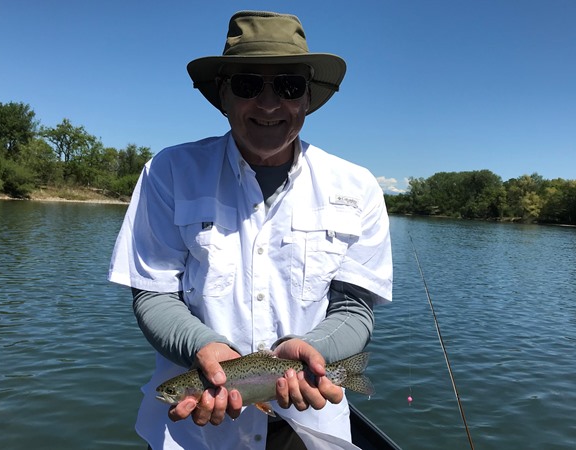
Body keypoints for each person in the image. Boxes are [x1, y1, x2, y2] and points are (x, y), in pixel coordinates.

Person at [108, 10, 392, 450]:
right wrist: (201, 346)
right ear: (223, 94)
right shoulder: (168, 171)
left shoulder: (358, 187)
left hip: (310, 425)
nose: (268, 103)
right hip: (191, 434)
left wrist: (316, 350)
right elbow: (153, 291)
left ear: (307, 98)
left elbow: (354, 306)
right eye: (247, 85)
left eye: (288, 86)